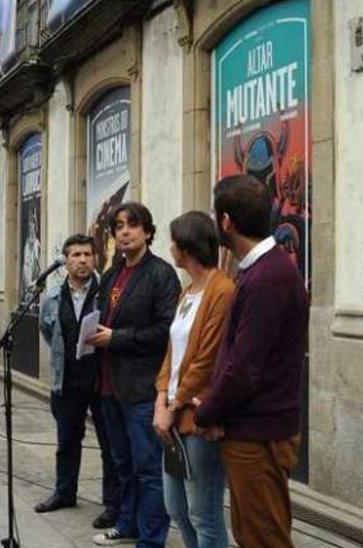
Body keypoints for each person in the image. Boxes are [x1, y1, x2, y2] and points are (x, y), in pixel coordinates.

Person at [193, 175, 310, 548]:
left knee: (264, 538)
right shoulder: (259, 271)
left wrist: (205, 412)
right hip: (250, 429)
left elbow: (244, 368)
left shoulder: (268, 277)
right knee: (249, 534)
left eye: (216, 217)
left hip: (260, 434)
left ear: (226, 222)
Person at [86, 202, 180, 547]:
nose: (124, 232)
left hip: (142, 388)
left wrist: (117, 338)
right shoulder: (111, 274)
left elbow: (165, 330)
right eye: (119, 226)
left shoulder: (160, 274)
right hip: (109, 385)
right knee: (122, 463)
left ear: (148, 232)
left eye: (133, 225)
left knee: (149, 469)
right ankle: (127, 524)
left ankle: (152, 538)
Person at [153, 212, 234, 548]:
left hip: (195, 416)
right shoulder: (187, 291)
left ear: (186, 247)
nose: (169, 247)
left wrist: (174, 405)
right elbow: (173, 352)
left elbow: (206, 358)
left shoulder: (222, 290)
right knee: (177, 509)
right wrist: (160, 397)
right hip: (171, 413)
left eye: (173, 241)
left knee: (204, 511)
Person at [35, 234, 122, 527]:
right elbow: (48, 332)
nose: (82, 260)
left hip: (101, 379)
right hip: (68, 381)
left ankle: (113, 504)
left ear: (95, 259)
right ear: (66, 261)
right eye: (76, 255)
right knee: (67, 440)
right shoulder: (53, 298)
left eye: (87, 254)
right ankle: (64, 492)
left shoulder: (107, 292)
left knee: (109, 445)